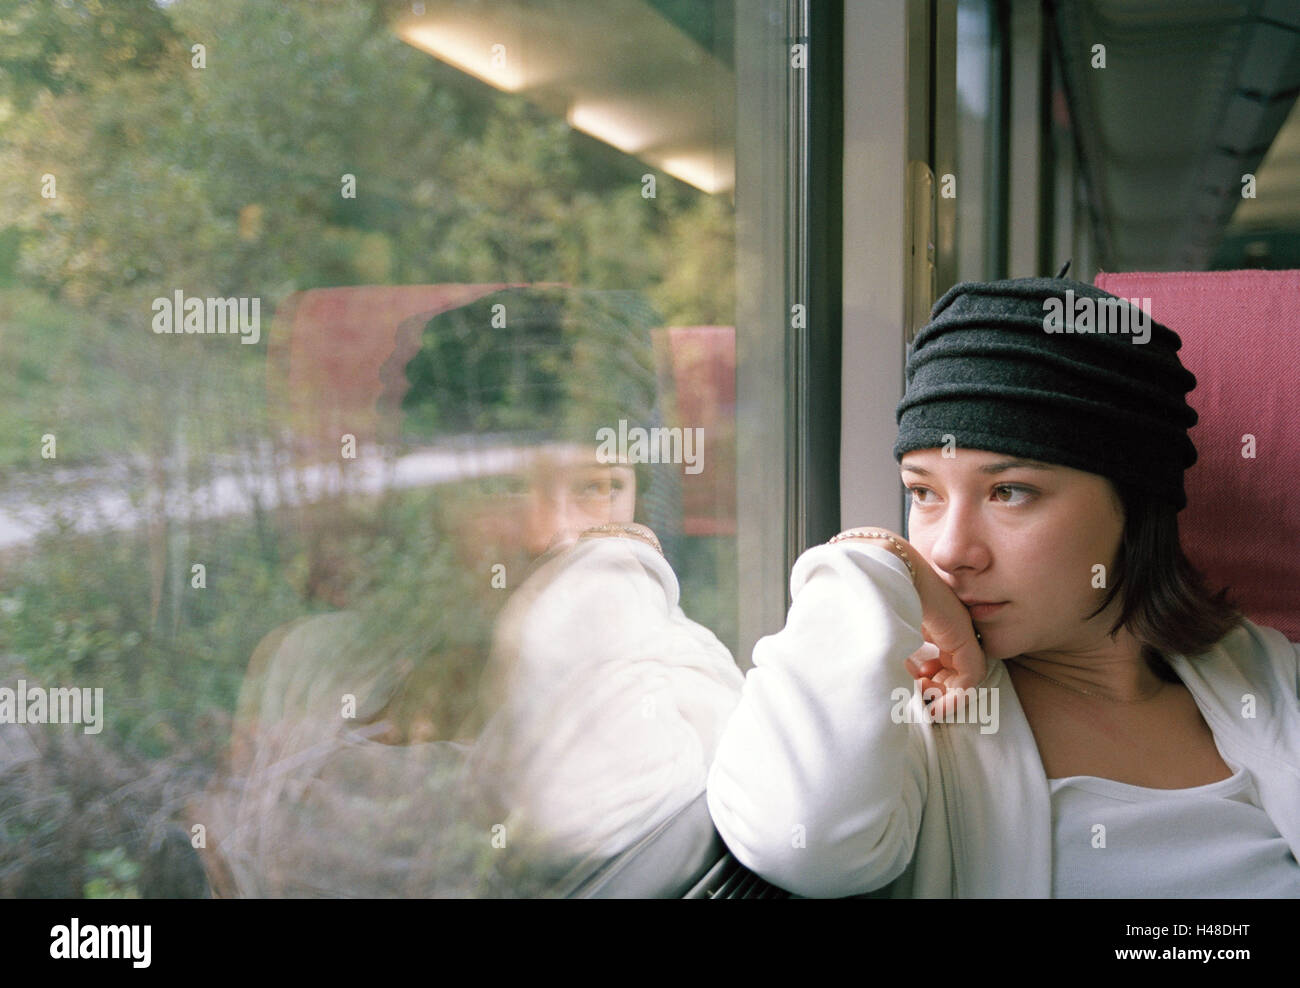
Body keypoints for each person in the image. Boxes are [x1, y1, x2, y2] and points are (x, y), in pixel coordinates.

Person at [706, 276, 1300, 898]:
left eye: (1009, 491)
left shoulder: (1265, 677)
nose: (949, 551)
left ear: (1135, 503)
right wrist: (873, 561)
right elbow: (803, 844)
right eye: (923, 493)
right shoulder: (909, 705)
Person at [195, 286, 742, 897]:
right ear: (437, 498)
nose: (547, 534)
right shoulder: (307, 667)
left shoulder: (681, 694)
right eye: (503, 485)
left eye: (597, 486)